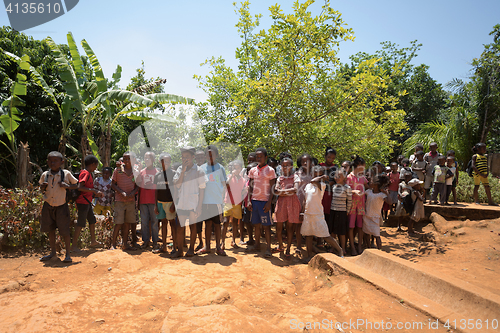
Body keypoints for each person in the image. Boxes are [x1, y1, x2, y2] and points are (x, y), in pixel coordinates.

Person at [39, 151, 79, 263]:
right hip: (48, 206)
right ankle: (53, 253)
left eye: (56, 161)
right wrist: (42, 187)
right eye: (51, 161)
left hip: (61, 206)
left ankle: (67, 254)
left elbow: (77, 185)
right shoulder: (45, 175)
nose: (53, 163)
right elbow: (41, 189)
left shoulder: (66, 174)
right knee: (50, 230)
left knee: (64, 231)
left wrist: (67, 186)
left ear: (61, 162)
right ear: (47, 162)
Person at [300, 166, 343, 263]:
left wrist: (322, 177)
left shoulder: (322, 185)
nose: (316, 174)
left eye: (319, 173)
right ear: (311, 174)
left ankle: (340, 250)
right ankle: (309, 256)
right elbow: (305, 200)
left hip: (317, 214)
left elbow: (314, 181)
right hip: (308, 214)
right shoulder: (308, 186)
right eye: (314, 173)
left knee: (325, 235)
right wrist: (302, 211)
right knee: (308, 235)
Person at [173, 146, 207, 257]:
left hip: (193, 203)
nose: (184, 159)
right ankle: (179, 251)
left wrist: (199, 206)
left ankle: (191, 249)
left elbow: (202, 189)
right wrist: (182, 171)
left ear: (193, 157)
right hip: (182, 202)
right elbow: (177, 185)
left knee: (193, 227)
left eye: (187, 157)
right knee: (180, 227)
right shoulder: (179, 169)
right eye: (183, 157)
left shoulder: (199, 171)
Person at [246, 148, 276, 257]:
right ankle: (257, 245)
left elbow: (273, 187)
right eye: (257, 157)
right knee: (256, 225)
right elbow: (250, 186)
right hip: (254, 201)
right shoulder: (253, 170)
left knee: (266, 226)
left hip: (264, 202)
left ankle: (268, 248)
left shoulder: (270, 170)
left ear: (266, 157)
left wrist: (269, 202)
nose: (259, 158)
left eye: (261, 156)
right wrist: (249, 201)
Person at [197, 145, 227, 256]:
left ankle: (218, 247)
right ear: (205, 156)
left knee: (217, 224)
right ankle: (207, 246)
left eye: (212, 154)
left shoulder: (221, 168)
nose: (210, 156)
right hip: (205, 202)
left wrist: (222, 200)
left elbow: (224, 185)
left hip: (217, 202)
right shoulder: (202, 169)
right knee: (207, 224)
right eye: (208, 154)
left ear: (216, 155)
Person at [72, 155, 103, 252]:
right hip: (83, 202)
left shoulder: (87, 173)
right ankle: (73, 246)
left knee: (92, 220)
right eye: (96, 165)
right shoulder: (86, 173)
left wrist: (94, 193)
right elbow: (80, 187)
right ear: (93, 164)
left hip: (87, 201)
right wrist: (93, 191)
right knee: (80, 223)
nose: (96, 168)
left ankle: (93, 241)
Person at [110, 152, 139, 250]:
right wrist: (121, 192)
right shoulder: (117, 170)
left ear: (133, 160)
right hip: (119, 200)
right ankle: (113, 245)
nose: (127, 161)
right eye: (125, 159)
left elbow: (138, 185)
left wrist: (133, 192)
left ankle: (125, 244)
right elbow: (113, 184)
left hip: (130, 201)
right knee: (118, 223)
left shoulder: (136, 171)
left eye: (129, 159)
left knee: (127, 223)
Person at [274, 157, 301, 259]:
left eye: (288, 165)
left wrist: (282, 192)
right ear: (281, 166)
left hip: (292, 204)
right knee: (279, 227)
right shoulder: (279, 178)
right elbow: (276, 191)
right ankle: (281, 245)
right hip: (281, 204)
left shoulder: (295, 177)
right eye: (284, 166)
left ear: (292, 166)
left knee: (290, 228)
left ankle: (288, 248)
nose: (285, 167)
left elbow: (295, 190)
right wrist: (287, 192)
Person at [136, 151, 159, 251]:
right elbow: (137, 185)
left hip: (153, 201)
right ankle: (146, 241)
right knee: (144, 222)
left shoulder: (157, 173)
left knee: (154, 222)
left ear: (153, 160)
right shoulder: (142, 172)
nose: (146, 160)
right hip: (143, 201)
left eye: (148, 158)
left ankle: (155, 242)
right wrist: (138, 202)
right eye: (145, 158)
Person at [154, 153, 177, 253]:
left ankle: (175, 247)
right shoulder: (157, 175)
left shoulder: (173, 174)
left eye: (168, 161)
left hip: (170, 202)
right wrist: (155, 205)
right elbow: (156, 191)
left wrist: (174, 204)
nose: (166, 163)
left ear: (170, 162)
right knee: (163, 223)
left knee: (172, 224)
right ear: (160, 162)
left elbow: (176, 190)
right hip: (160, 203)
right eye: (164, 161)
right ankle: (163, 246)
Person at [346, 155, 368, 256]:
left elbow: (368, 188)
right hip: (351, 205)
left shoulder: (363, 178)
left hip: (361, 205)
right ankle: (352, 247)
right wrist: (353, 191)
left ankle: (359, 246)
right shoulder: (349, 177)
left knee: (359, 226)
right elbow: (345, 190)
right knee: (351, 227)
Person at [362, 175, 391, 250]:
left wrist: (387, 193)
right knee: (367, 233)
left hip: (375, 217)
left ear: (375, 184)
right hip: (367, 216)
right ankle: (368, 248)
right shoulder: (368, 192)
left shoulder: (382, 195)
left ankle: (379, 250)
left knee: (377, 235)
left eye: (371, 182)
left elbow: (390, 202)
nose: (369, 183)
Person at [222, 160, 246, 249]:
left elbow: (241, 192)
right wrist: (231, 175)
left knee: (235, 223)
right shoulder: (228, 177)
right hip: (228, 202)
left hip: (237, 203)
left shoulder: (243, 180)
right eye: (234, 167)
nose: (236, 169)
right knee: (225, 222)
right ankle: (222, 242)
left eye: (238, 168)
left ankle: (233, 241)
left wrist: (246, 190)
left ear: (240, 169)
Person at [329, 167, 352, 256]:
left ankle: (343, 248)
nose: (337, 178)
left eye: (339, 176)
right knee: (333, 232)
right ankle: (333, 247)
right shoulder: (333, 187)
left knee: (342, 232)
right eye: (336, 176)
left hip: (342, 212)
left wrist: (347, 211)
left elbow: (349, 200)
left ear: (344, 178)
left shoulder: (347, 188)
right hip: (333, 211)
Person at [320, 147, 338, 232]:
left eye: (333, 158)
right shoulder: (320, 166)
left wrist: (333, 182)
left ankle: (327, 233)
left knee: (329, 213)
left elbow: (337, 179)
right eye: (329, 157)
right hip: (321, 193)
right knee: (321, 212)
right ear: (325, 156)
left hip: (331, 193)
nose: (330, 159)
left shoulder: (335, 167)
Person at [194, 149, 207, 250]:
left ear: (205, 157)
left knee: (208, 222)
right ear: (194, 158)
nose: (200, 159)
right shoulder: (193, 169)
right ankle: (200, 242)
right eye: (198, 157)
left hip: (208, 200)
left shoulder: (208, 168)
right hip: (196, 201)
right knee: (197, 222)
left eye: (202, 157)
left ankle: (207, 243)